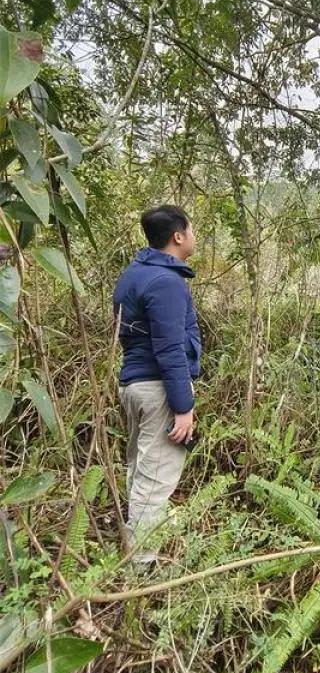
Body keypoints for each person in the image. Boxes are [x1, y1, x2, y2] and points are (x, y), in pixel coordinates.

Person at [113, 205, 201, 564]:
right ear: (178, 236)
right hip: (158, 389)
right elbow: (169, 349)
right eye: (192, 229)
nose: (195, 236)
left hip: (135, 384)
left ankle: (140, 543)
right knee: (155, 478)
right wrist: (183, 407)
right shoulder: (165, 283)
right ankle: (143, 566)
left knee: (141, 468)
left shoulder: (134, 274)